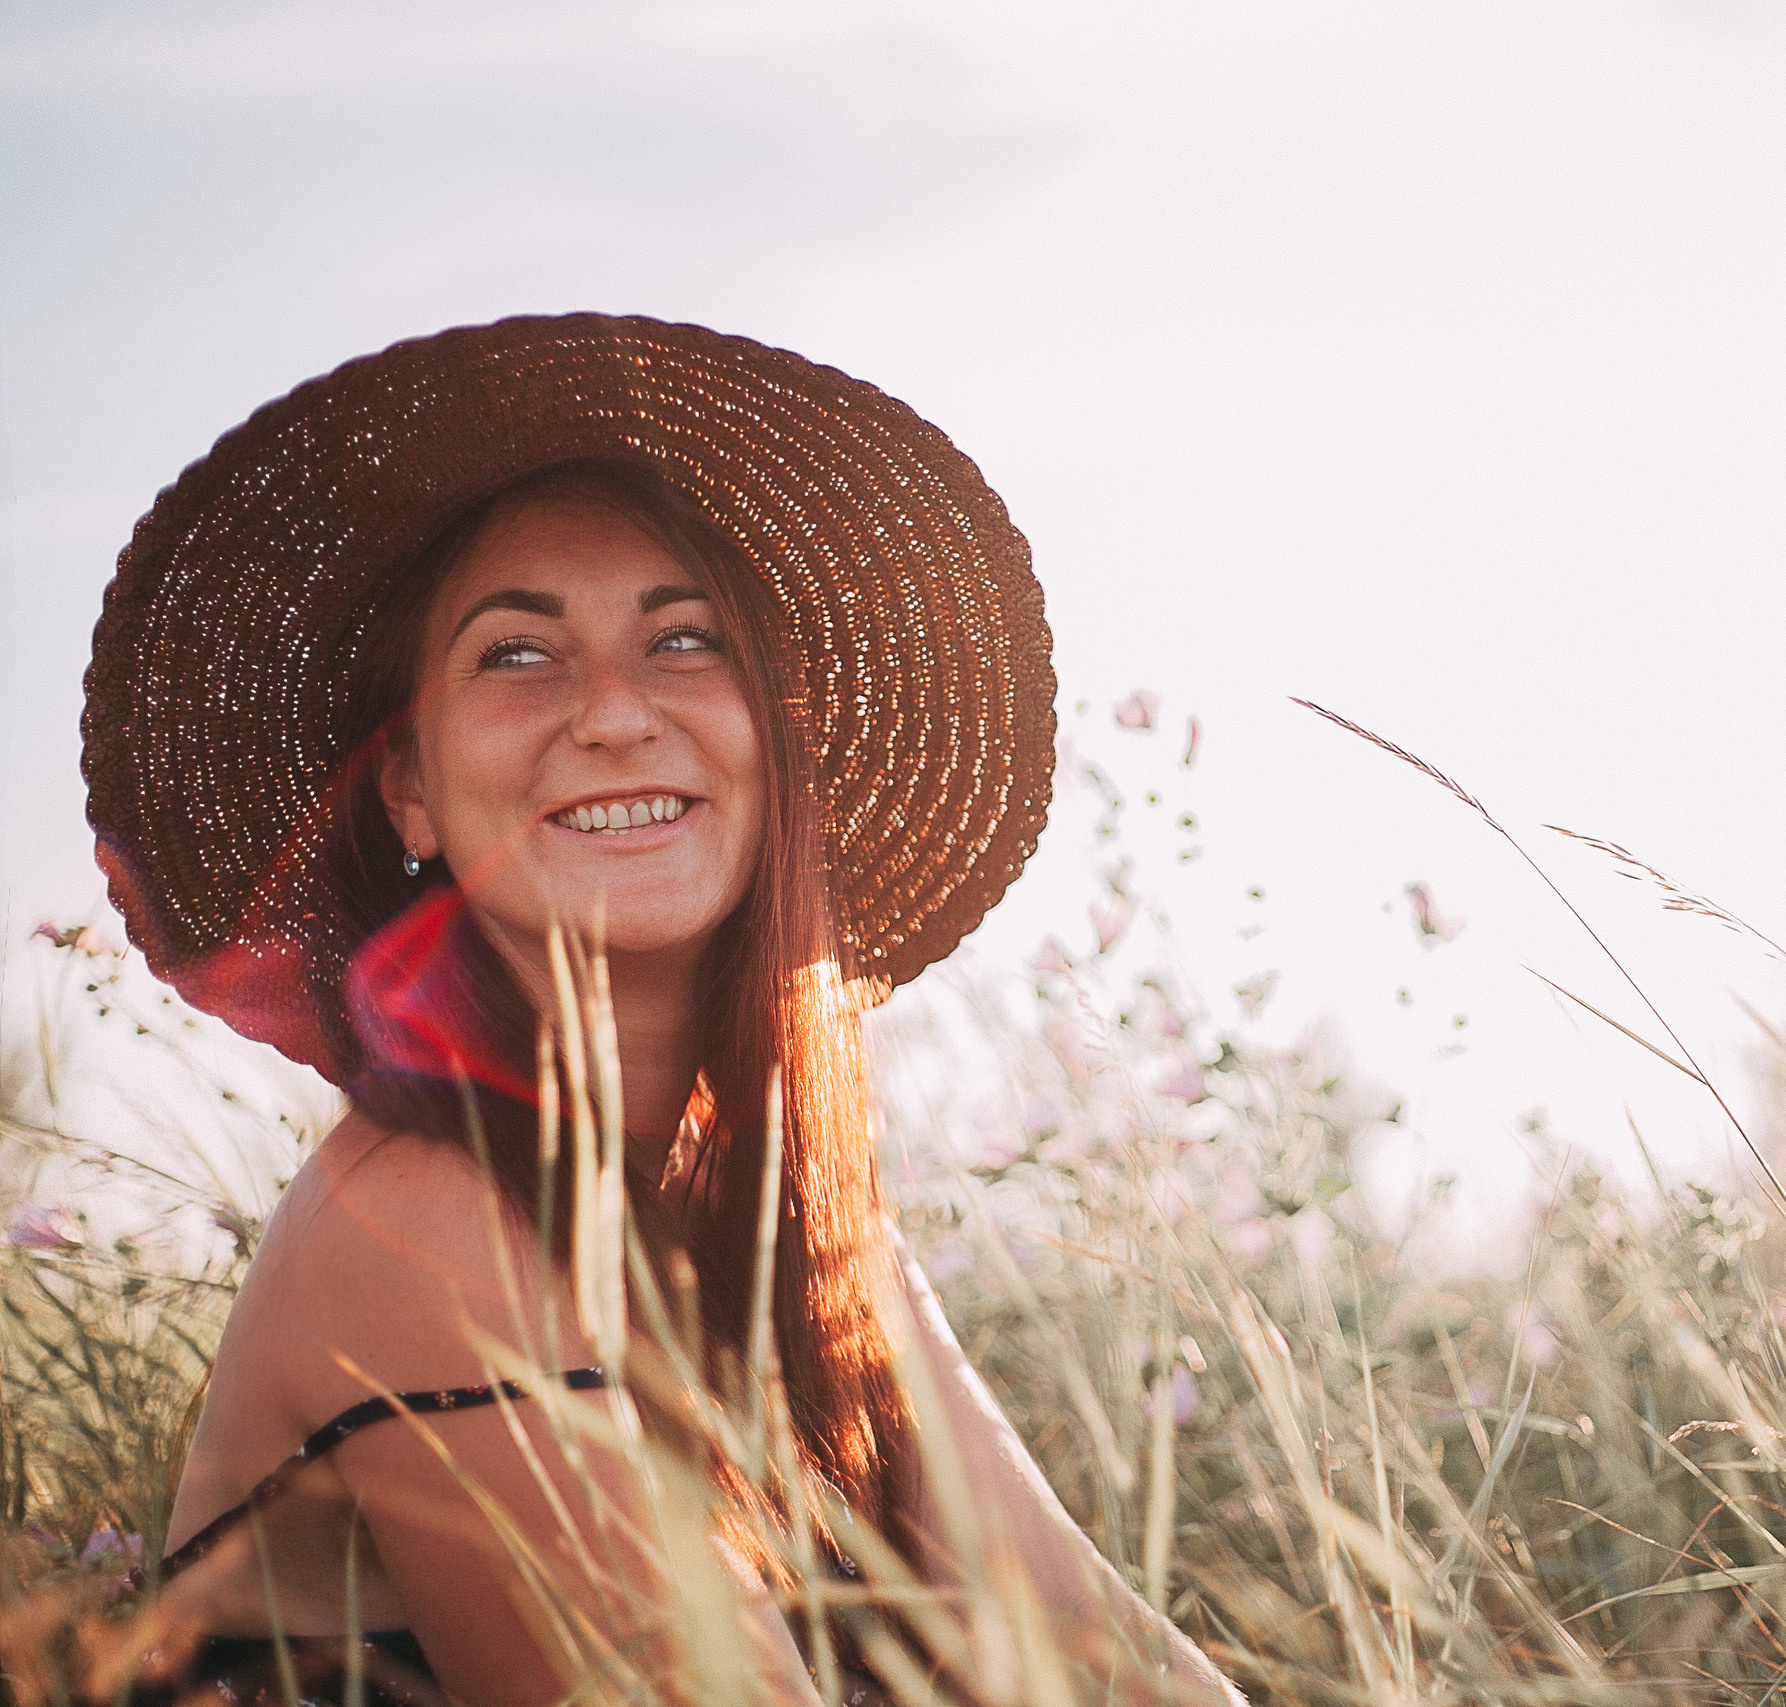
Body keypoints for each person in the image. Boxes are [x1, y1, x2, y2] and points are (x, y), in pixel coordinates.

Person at [82, 316, 1240, 1706]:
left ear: (775, 736)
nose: (617, 714)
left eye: (685, 640)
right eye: (518, 655)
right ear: (408, 786)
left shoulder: (793, 1225)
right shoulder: (419, 1220)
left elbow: (1112, 1671)